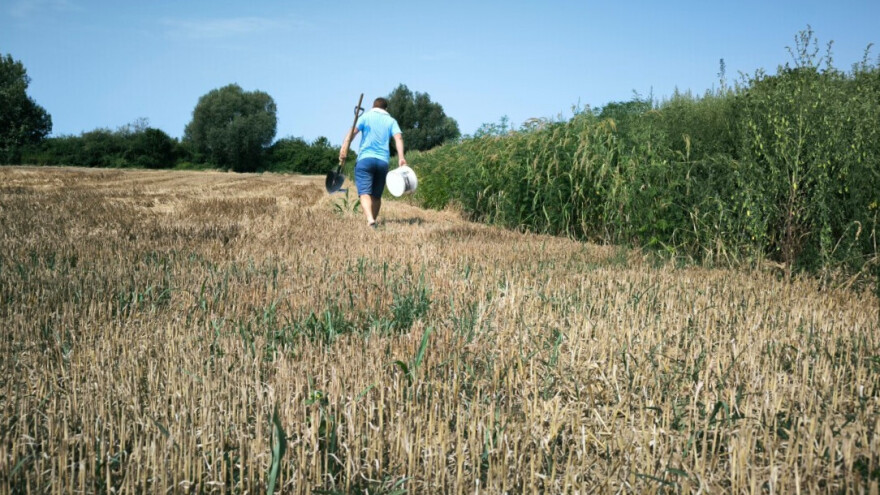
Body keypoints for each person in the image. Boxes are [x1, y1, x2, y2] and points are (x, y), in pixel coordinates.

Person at [339, 97, 407, 228]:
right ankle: (372, 222)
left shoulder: (365, 117)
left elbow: (352, 132)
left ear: (373, 106)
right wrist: (401, 157)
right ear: (386, 109)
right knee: (376, 195)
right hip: (382, 162)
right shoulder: (391, 121)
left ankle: (370, 220)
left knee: (364, 192)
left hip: (365, 160)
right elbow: (398, 138)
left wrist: (344, 147)